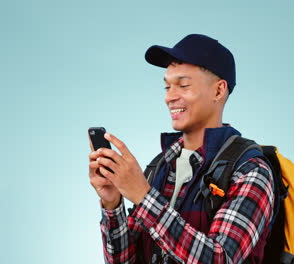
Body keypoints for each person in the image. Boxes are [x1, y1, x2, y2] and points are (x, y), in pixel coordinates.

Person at [88, 34, 275, 263]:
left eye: (183, 85)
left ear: (218, 91)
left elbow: (221, 259)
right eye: (167, 86)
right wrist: (112, 203)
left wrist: (143, 196)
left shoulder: (250, 170)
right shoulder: (159, 167)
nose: (169, 97)